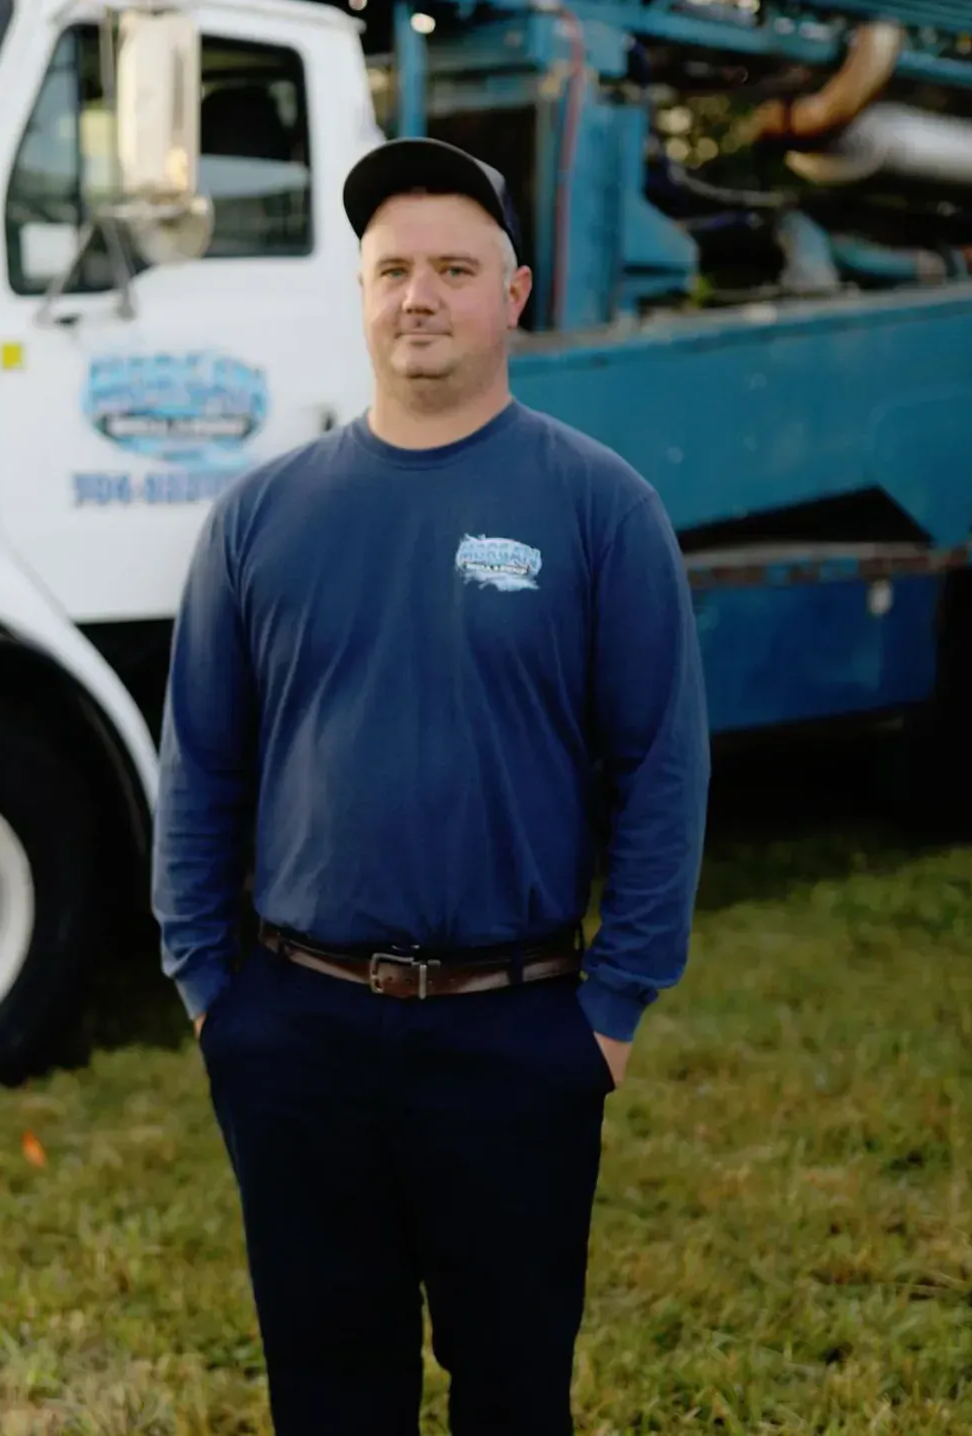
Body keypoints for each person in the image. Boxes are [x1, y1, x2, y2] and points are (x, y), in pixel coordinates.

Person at [152, 137, 710, 1436]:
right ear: (357, 293)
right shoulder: (258, 517)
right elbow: (204, 767)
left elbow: (660, 767)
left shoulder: (596, 509)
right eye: (391, 269)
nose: (418, 296)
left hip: (513, 1034)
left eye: (453, 269)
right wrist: (208, 992)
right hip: (294, 1028)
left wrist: (611, 1009)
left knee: (512, 1389)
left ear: (510, 296)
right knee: (327, 1389)